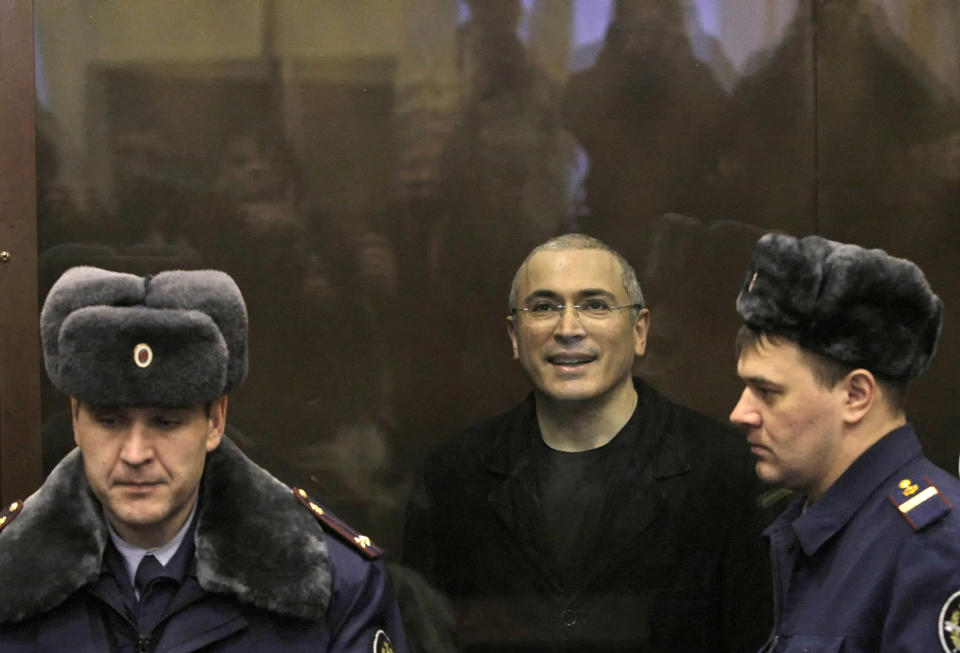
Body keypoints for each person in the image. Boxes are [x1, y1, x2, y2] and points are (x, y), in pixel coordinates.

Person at [0, 266, 407, 652]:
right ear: (75, 419)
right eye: (110, 421)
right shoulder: (10, 578)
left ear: (215, 421)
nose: (136, 454)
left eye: (166, 422)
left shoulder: (327, 584)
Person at [402, 233, 773, 652]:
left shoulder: (725, 470)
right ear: (514, 336)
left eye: (595, 305)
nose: (568, 329)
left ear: (640, 330)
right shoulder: (452, 477)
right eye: (544, 307)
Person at [729, 232, 960, 651]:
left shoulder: (934, 547)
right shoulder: (824, 522)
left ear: (855, 396)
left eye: (767, 392)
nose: (740, 413)